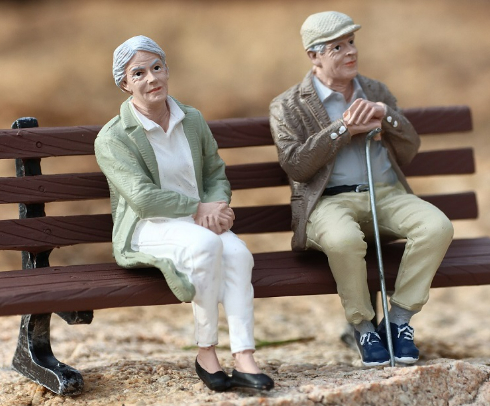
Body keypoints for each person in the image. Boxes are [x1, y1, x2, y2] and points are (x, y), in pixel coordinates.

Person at [269, 12, 454, 366]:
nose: (350, 51)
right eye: (338, 46)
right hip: (328, 202)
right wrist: (342, 130)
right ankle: (363, 326)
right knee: (343, 240)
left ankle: (398, 321)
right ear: (314, 55)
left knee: (437, 226)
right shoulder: (287, 105)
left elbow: (410, 148)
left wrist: (388, 116)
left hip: (385, 193)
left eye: (351, 42)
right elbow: (296, 165)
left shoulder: (375, 90)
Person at [95, 35, 274, 391]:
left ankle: (244, 356)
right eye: (139, 73)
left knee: (239, 254)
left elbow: (214, 173)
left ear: (167, 69)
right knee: (207, 248)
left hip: (199, 220)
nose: (151, 79)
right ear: (124, 83)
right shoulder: (114, 138)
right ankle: (206, 351)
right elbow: (143, 199)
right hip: (150, 226)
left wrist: (218, 207)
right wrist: (199, 208)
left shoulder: (191, 119)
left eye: (157, 67)